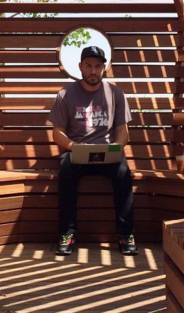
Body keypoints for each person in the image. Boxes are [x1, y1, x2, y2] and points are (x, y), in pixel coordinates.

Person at [46, 45, 138, 256]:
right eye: (88, 65)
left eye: (98, 66)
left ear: (104, 68)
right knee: (66, 171)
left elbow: (123, 131)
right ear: (80, 67)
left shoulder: (116, 93)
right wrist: (73, 147)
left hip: (107, 153)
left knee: (124, 173)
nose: (93, 71)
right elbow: (57, 133)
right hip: (77, 153)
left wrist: (116, 148)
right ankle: (67, 235)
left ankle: (126, 235)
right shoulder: (65, 94)